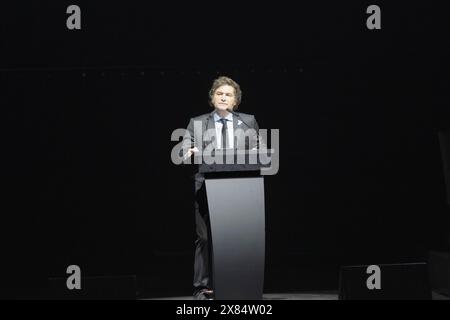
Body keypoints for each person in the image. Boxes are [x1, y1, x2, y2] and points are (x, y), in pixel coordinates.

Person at [181, 76, 263, 300]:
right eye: (219, 93)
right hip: (205, 189)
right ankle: (201, 288)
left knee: (237, 238)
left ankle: (238, 284)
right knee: (205, 239)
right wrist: (188, 153)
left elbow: (260, 152)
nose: (223, 97)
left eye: (228, 94)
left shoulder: (248, 121)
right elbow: (182, 152)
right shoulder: (197, 123)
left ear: (236, 101)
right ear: (212, 98)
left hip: (240, 189)